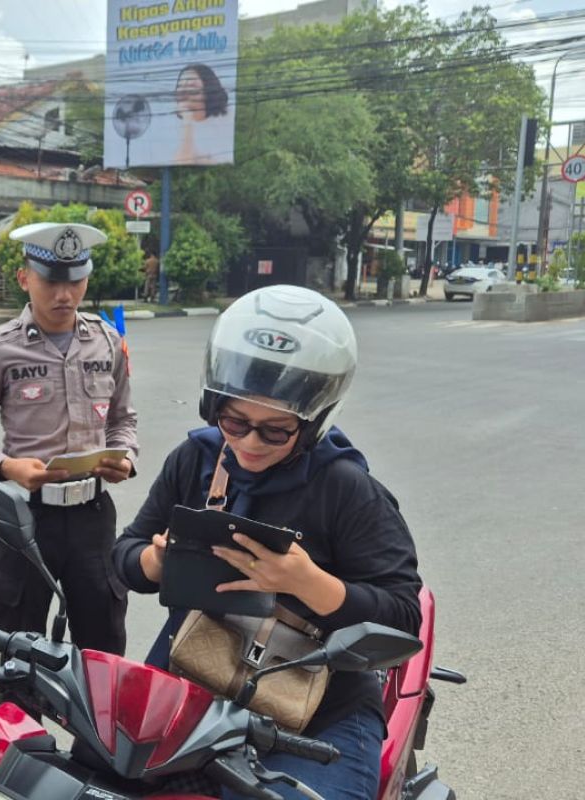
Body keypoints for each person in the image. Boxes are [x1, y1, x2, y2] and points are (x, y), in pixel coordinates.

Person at [112, 285, 421, 800]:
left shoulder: (347, 490)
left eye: (275, 431)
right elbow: (124, 556)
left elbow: (402, 616)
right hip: (191, 680)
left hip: (321, 712)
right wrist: (154, 561)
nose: (250, 443)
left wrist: (308, 584)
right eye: (235, 421)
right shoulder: (195, 461)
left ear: (314, 420)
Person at [0, 222, 138, 656]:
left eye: (75, 281)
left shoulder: (108, 343)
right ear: (24, 278)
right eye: (52, 281)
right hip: (23, 518)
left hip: (92, 516)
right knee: (22, 654)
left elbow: (124, 418)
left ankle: (95, 728)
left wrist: (125, 456)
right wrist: (8, 467)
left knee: (103, 651)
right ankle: (25, 726)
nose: (65, 295)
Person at [173, 63, 232, 165]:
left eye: (191, 85)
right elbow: (182, 161)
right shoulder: (170, 127)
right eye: (180, 86)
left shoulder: (227, 118)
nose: (183, 90)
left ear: (208, 88)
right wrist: (187, 119)